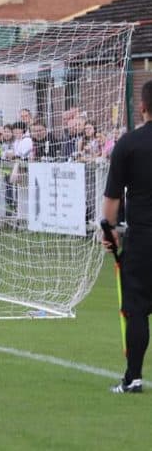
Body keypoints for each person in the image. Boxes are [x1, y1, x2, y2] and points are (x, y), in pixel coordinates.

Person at [102, 79, 152, 394]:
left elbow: (111, 200)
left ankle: (133, 377)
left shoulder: (129, 144)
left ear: (143, 106)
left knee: (136, 307)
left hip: (144, 238)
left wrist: (109, 233)